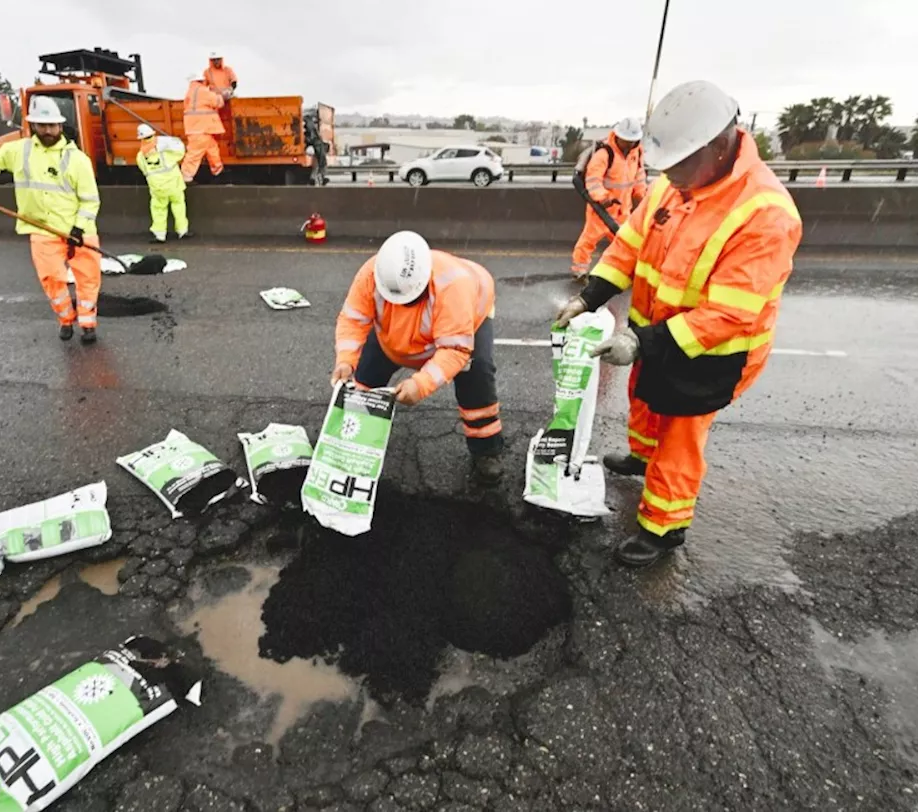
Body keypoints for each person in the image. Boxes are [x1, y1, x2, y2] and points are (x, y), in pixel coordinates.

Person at [554, 80, 803, 567]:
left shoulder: (765, 214)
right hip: (654, 338)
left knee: (679, 437)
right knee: (645, 402)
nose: (667, 175)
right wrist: (590, 298)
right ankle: (641, 458)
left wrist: (643, 341)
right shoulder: (676, 182)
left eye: (678, 164)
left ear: (717, 144)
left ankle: (663, 528)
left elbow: (730, 314)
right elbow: (628, 245)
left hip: (715, 353)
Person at [332, 231, 505, 483]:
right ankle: (356, 440)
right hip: (392, 337)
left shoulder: (453, 287)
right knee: (363, 378)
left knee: (476, 374)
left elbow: (454, 350)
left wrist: (420, 385)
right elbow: (353, 319)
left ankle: (486, 450)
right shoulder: (372, 273)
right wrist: (346, 360)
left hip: (464, 324)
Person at [0, 96, 103, 344]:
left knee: (88, 278)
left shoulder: (77, 160)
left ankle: (88, 323)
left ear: (60, 127)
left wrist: (79, 228)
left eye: (52, 125)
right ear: (33, 126)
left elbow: (90, 200)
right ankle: (65, 320)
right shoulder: (18, 151)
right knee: (52, 279)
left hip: (80, 231)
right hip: (43, 231)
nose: (48, 130)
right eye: (43, 125)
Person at [570, 117, 647, 279]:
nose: (629, 144)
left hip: (623, 209)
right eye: (626, 141)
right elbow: (593, 179)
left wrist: (644, 197)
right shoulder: (605, 153)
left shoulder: (637, 154)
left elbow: (639, 178)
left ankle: (624, 271)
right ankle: (579, 270)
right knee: (589, 240)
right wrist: (602, 197)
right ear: (618, 136)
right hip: (601, 209)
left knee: (625, 242)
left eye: (632, 141)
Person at [136, 123, 192, 243]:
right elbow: (181, 151)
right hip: (174, 185)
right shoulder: (166, 152)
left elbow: (144, 170)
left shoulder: (140, 156)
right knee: (179, 206)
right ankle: (182, 231)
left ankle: (160, 235)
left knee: (158, 209)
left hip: (158, 188)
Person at [182, 74, 226, 184]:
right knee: (194, 154)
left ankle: (217, 170)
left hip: (198, 129)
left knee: (212, 148)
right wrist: (223, 95)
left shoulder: (190, 92)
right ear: (201, 80)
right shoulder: (202, 91)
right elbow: (217, 102)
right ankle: (186, 178)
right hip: (201, 129)